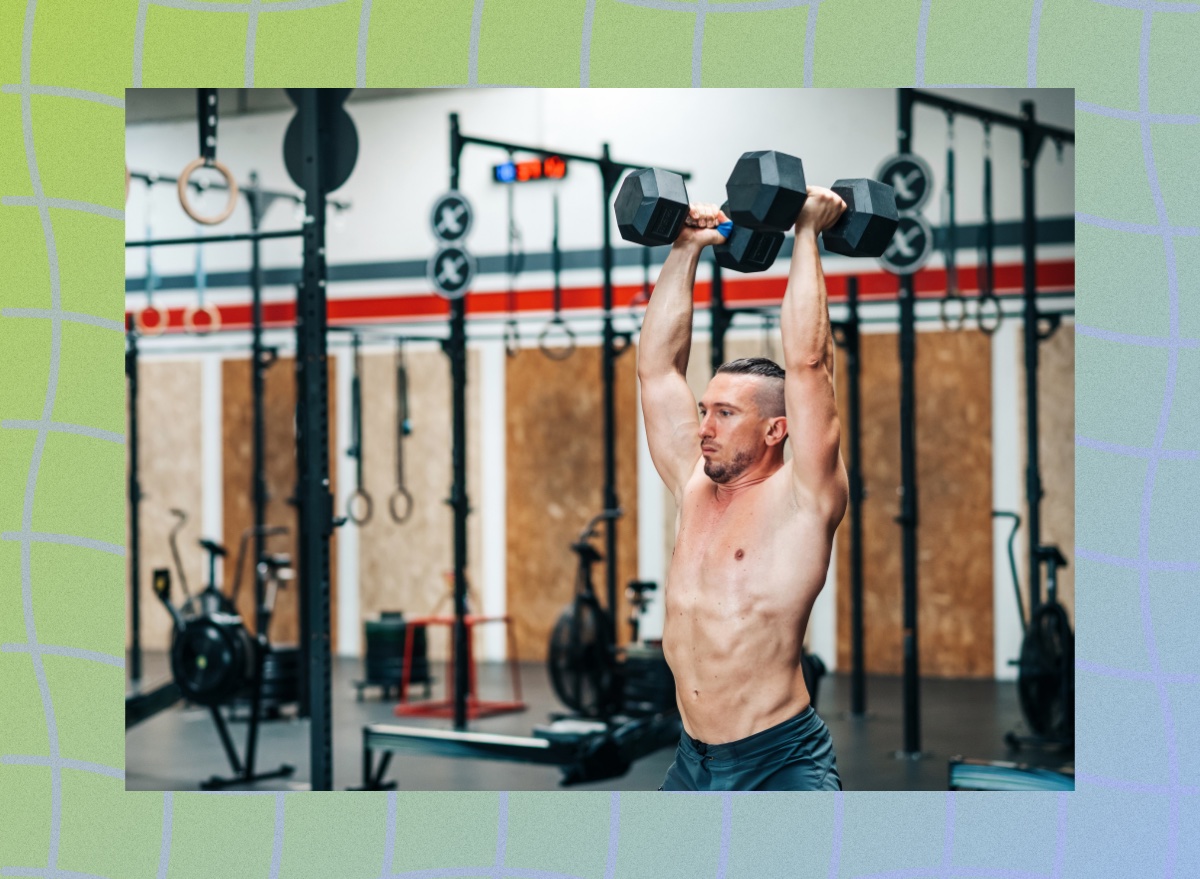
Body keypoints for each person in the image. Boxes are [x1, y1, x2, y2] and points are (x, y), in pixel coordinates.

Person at [638, 188, 850, 791]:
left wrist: (807, 232)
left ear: (777, 429)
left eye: (725, 414)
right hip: (691, 758)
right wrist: (686, 248)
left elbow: (809, 363)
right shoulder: (695, 484)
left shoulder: (805, 499)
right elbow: (657, 372)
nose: (703, 427)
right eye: (705, 410)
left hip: (778, 761)